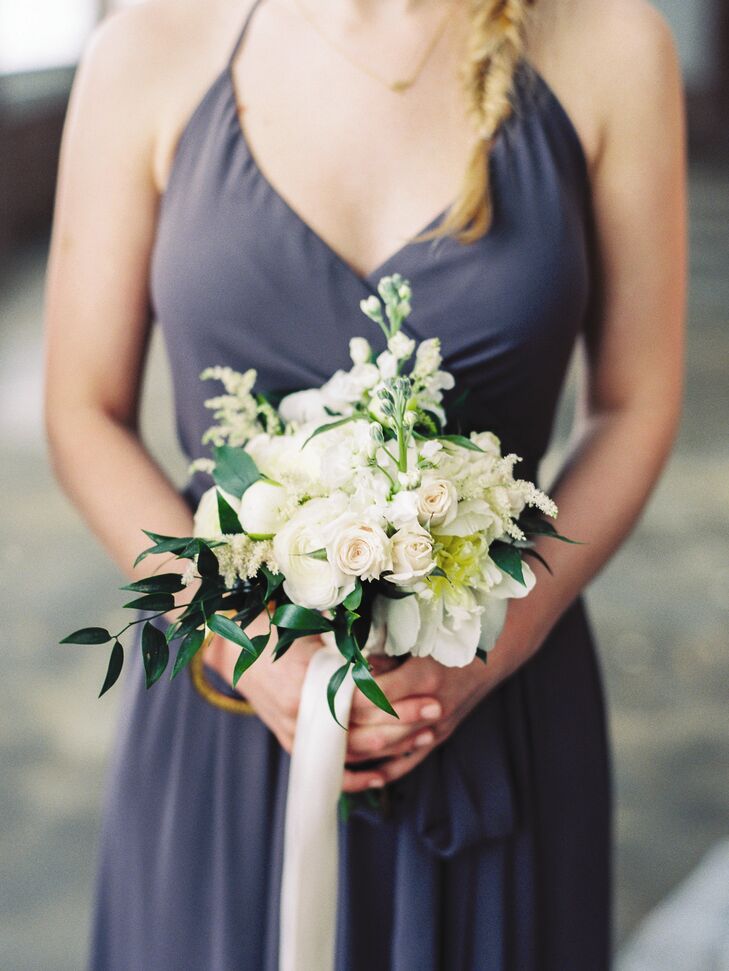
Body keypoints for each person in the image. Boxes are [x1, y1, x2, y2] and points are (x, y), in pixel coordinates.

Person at [44, 0, 686, 967]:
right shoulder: (150, 42)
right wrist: (243, 647)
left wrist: (486, 651)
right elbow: (81, 410)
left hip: (492, 692)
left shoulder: (605, 39)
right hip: (230, 709)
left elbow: (633, 403)